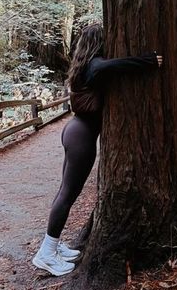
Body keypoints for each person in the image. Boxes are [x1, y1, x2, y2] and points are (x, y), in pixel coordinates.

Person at [32, 23, 163, 276]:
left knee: (65, 192)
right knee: (68, 194)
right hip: (81, 136)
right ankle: (46, 253)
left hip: (76, 131)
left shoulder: (84, 66)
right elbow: (111, 66)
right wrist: (147, 61)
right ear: (97, 43)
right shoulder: (93, 66)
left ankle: (54, 246)